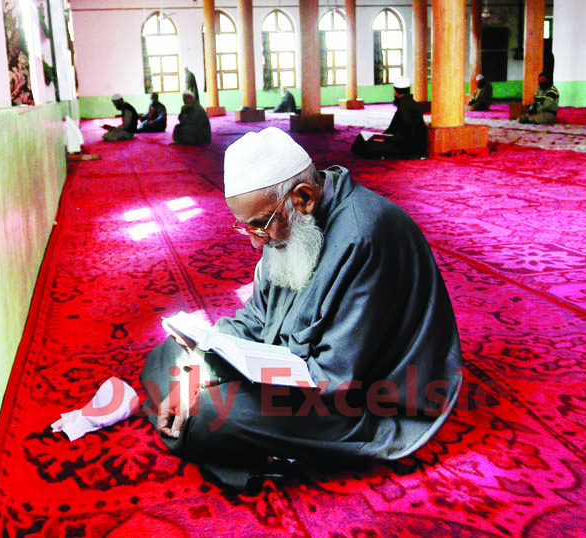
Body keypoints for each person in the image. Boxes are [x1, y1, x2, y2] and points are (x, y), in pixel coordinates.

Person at [140, 126, 463, 490]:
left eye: (259, 225)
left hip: (364, 402)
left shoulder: (364, 238)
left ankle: (225, 449)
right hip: (291, 372)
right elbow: (256, 318)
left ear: (304, 197)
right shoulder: (290, 225)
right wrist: (199, 370)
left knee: (211, 411)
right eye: (247, 228)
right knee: (168, 356)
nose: (255, 244)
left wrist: (218, 382)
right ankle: (230, 449)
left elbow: (334, 379)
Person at [350, 76, 428, 159]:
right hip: (418, 147)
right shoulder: (414, 104)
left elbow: (401, 132)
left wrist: (385, 137)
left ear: (395, 92)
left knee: (364, 142)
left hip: (406, 147)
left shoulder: (404, 106)